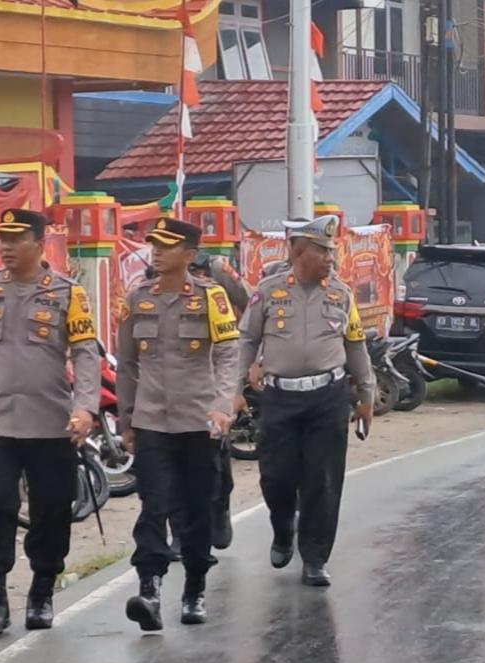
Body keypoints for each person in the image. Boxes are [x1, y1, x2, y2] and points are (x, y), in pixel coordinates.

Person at [0, 209, 100, 635]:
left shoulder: (70, 294)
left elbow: (87, 353)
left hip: (51, 422)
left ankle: (42, 590)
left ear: (39, 243)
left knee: (52, 510)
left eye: (17, 239)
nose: (7, 247)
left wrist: (86, 407)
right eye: (3, 239)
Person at [235, 215, 375, 587]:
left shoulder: (341, 294)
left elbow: (355, 344)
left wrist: (367, 394)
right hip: (280, 398)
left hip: (328, 398)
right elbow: (246, 341)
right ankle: (283, 527)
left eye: (332, 251)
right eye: (322, 250)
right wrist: (233, 390)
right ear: (299, 252)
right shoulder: (267, 291)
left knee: (323, 480)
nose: (330, 257)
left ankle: (315, 556)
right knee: (275, 476)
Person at [116, 219, 240, 629]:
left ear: (188, 255)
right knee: (153, 504)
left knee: (196, 509)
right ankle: (149, 589)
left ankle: (195, 588)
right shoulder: (136, 299)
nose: (157, 251)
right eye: (154, 244)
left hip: (198, 421)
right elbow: (128, 364)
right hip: (152, 420)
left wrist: (222, 406)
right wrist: (126, 419)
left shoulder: (211, 297)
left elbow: (227, 355)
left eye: (167, 246)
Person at [190, 252, 254, 551]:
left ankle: (220, 506)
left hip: (219, 367)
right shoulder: (155, 275)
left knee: (215, 453)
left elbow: (249, 302)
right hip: (178, 377)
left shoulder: (216, 267)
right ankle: (181, 527)